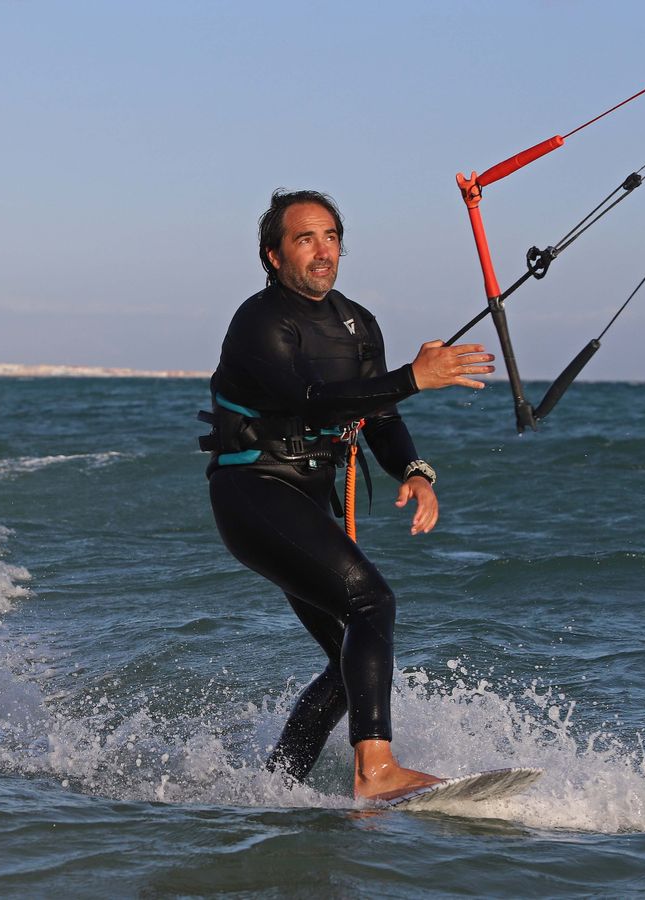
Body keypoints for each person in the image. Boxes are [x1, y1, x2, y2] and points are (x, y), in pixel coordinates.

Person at [202, 189, 495, 803]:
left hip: (308, 498)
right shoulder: (259, 322)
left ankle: (273, 790)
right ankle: (376, 772)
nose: (322, 251)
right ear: (274, 255)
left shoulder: (357, 323)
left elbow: (378, 415)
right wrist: (414, 377)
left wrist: (413, 471)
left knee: (350, 660)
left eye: (331, 237)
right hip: (254, 492)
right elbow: (310, 402)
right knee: (372, 603)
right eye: (304, 238)